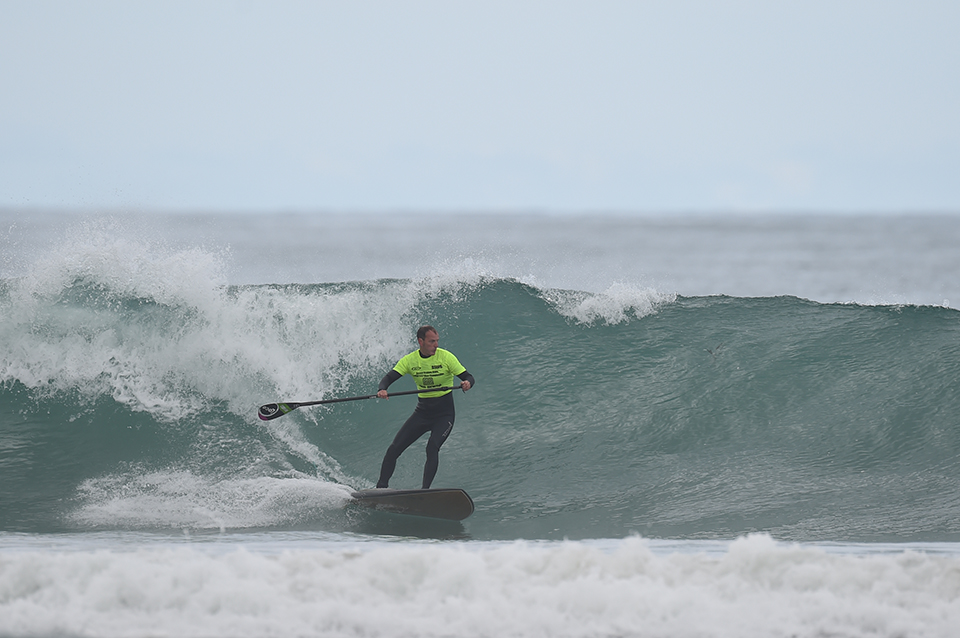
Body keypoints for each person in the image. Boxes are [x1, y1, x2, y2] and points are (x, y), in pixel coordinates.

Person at [375, 325, 475, 489]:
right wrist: (382, 389)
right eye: (431, 341)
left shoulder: (446, 358)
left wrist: (467, 383)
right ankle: (380, 489)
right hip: (422, 414)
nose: (436, 345)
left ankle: (425, 491)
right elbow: (388, 377)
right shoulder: (410, 360)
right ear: (420, 341)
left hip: (444, 416)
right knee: (394, 449)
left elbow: (468, 376)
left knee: (432, 447)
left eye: (437, 341)